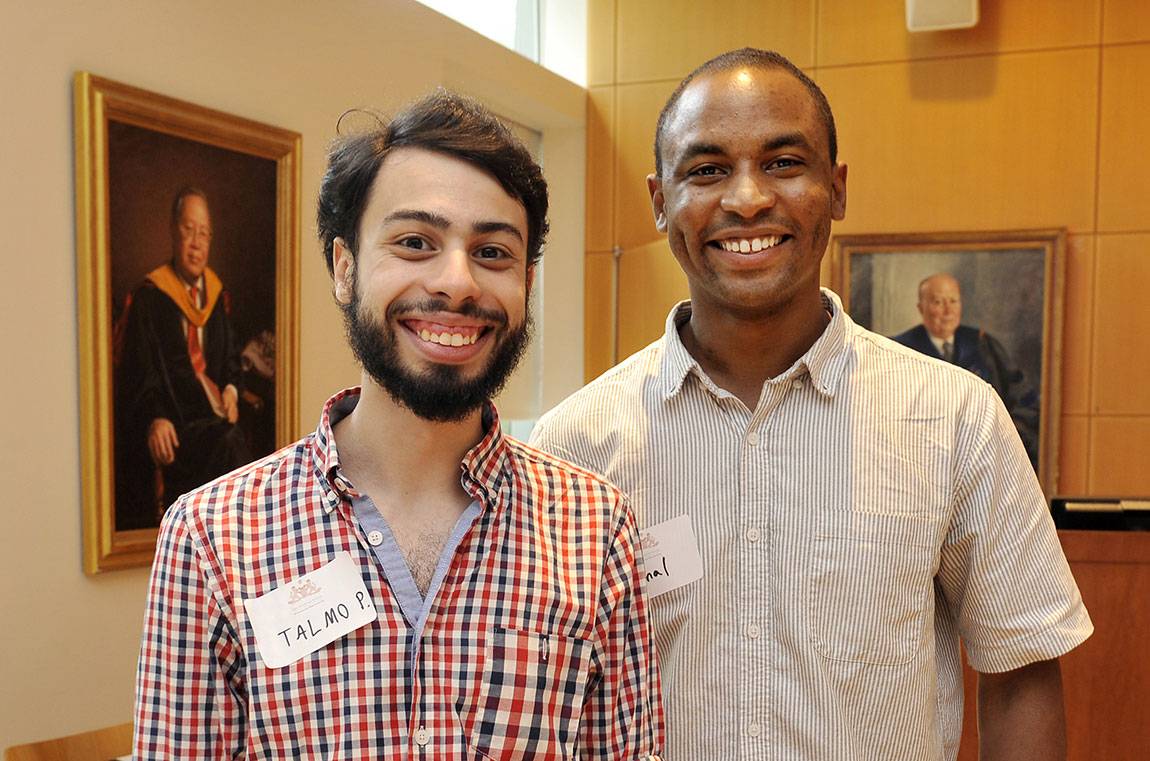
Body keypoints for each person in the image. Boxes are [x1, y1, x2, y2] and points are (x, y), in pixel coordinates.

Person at [531, 48, 1091, 760]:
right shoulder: (573, 445)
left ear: (838, 187)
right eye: (706, 170)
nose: (747, 199)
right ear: (659, 199)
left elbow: (1022, 667)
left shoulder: (954, 418)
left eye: (783, 163)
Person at [134, 90, 664, 760]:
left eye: (493, 252)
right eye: (415, 242)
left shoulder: (595, 528)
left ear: (527, 281)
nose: (457, 282)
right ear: (344, 268)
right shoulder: (211, 537)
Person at [114, 187, 249, 529]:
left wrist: (232, 389)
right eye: (189, 230)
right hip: (177, 429)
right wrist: (154, 418)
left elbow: (231, 359)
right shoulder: (150, 297)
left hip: (214, 422)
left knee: (234, 443)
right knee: (232, 448)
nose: (196, 242)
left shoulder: (217, 297)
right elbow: (138, 370)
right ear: (173, 231)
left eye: (204, 233)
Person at [892, 272, 1039, 464]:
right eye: (938, 302)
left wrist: (1006, 434)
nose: (948, 311)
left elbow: (1023, 398)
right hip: (922, 461)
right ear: (921, 308)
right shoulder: (899, 351)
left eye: (953, 301)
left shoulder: (983, 345)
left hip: (982, 459)